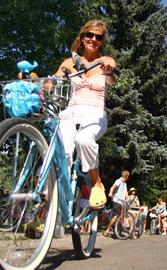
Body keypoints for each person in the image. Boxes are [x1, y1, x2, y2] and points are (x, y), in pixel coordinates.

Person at [54, 19, 116, 209]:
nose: (93, 39)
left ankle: (97, 183)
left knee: (83, 140)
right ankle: (49, 208)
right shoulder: (70, 62)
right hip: (70, 113)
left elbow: (112, 78)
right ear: (82, 37)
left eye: (98, 37)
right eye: (89, 35)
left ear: (102, 41)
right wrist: (41, 83)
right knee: (61, 154)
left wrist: (108, 70)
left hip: (94, 115)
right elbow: (53, 81)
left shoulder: (105, 61)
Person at [103, 170, 130, 237]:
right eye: (128, 177)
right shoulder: (119, 181)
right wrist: (110, 192)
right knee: (116, 216)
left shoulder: (125, 183)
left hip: (122, 202)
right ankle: (107, 230)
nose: (128, 178)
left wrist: (127, 198)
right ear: (126, 176)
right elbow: (113, 186)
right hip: (117, 201)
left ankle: (118, 231)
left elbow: (126, 192)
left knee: (121, 217)